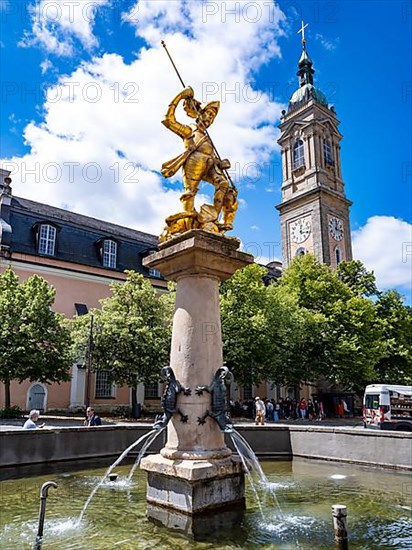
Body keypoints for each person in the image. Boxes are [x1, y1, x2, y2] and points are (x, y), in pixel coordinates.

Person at [161, 86, 238, 231]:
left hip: (209, 166)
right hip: (193, 163)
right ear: (200, 114)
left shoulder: (209, 139)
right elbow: (168, 120)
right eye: (208, 114)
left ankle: (213, 218)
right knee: (189, 194)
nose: (209, 118)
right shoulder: (190, 131)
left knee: (223, 184)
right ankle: (187, 226)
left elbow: (212, 157)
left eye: (212, 117)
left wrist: (221, 163)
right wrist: (181, 96)